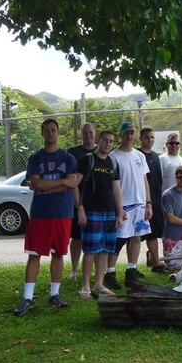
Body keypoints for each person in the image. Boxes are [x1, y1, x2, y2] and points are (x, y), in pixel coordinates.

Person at [13, 118, 78, 316]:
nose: (50, 133)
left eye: (53, 130)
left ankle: (54, 295)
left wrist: (47, 184)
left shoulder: (68, 158)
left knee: (58, 253)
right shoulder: (35, 158)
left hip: (62, 212)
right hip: (40, 213)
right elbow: (37, 184)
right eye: (46, 130)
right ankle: (28, 298)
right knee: (34, 254)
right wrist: (63, 183)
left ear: (58, 133)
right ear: (42, 133)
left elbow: (71, 183)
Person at [73, 129, 126, 299]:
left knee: (104, 250)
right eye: (105, 140)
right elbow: (74, 185)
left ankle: (99, 284)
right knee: (90, 250)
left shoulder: (113, 162)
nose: (108, 144)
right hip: (91, 212)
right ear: (99, 140)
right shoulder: (87, 160)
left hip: (109, 212)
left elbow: (116, 190)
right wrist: (80, 209)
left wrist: (120, 212)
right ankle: (86, 286)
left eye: (111, 141)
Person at [106, 121, 153, 288]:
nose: (129, 135)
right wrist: (117, 208)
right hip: (124, 205)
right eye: (126, 132)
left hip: (140, 204)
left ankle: (131, 271)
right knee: (118, 240)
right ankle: (109, 273)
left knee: (136, 238)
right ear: (121, 135)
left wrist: (148, 203)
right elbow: (111, 185)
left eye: (132, 132)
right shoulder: (113, 156)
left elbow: (144, 180)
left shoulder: (139, 156)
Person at [66, 122, 97, 281]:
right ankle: (74, 269)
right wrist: (78, 206)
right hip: (77, 201)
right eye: (85, 133)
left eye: (90, 132)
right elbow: (70, 179)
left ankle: (94, 270)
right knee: (77, 237)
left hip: (97, 202)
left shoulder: (102, 152)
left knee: (96, 237)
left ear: (95, 133)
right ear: (81, 135)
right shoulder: (73, 152)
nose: (88, 136)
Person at [138, 127, 169, 274]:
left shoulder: (156, 156)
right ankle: (136, 267)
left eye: (152, 137)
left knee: (155, 232)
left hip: (157, 200)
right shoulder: (137, 155)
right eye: (147, 137)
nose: (149, 140)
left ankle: (154, 260)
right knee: (137, 236)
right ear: (140, 138)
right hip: (142, 201)